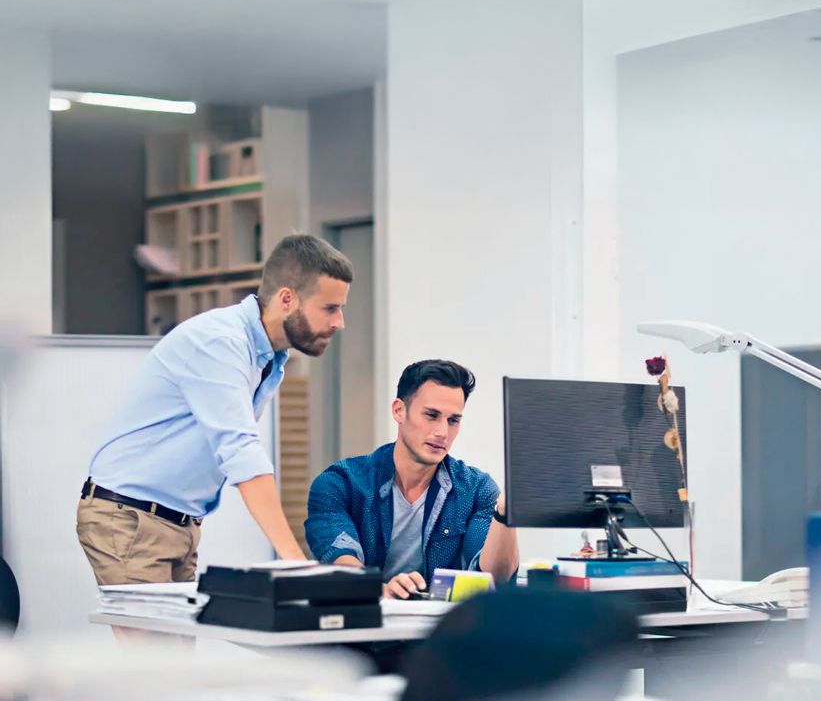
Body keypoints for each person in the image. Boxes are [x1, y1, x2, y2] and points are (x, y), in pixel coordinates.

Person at [77, 233, 352, 585]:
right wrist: (294, 561)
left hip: (178, 524)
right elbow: (240, 450)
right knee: (149, 642)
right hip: (131, 518)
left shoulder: (269, 358)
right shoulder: (221, 343)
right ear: (287, 299)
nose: (339, 322)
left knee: (175, 641)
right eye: (330, 308)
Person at [305, 360, 519, 599]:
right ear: (399, 410)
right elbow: (340, 558)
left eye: (453, 420)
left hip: (443, 632)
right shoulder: (339, 484)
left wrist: (504, 513)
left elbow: (493, 579)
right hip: (364, 627)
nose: (442, 432)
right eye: (431, 415)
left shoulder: (477, 490)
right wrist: (379, 590)